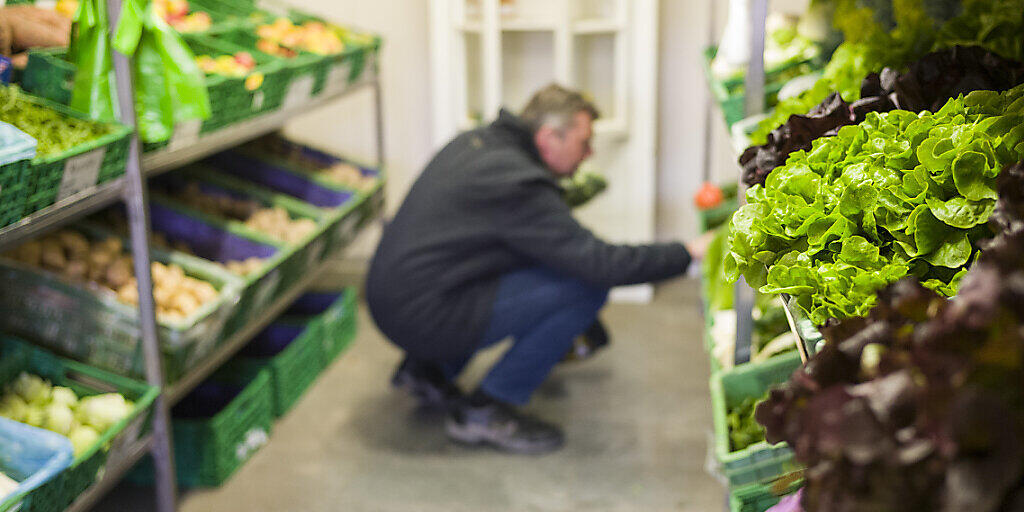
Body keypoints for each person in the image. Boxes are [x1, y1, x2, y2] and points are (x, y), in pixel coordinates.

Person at [366, 84, 712, 454]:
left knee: (535, 270)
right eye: (584, 142)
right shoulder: (518, 184)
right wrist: (688, 253)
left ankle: (427, 372)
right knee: (584, 288)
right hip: (423, 316)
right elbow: (600, 264)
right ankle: (486, 410)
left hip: (391, 296)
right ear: (549, 137)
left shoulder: (479, 144)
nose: (589, 154)